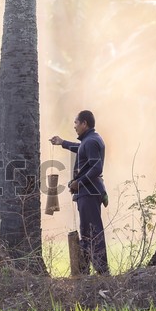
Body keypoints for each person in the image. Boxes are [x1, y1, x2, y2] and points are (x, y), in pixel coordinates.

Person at [50, 110, 109, 275]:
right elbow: (80, 148)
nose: (74, 126)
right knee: (87, 231)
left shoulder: (90, 142)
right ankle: (84, 271)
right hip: (88, 192)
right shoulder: (90, 140)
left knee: (92, 231)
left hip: (89, 193)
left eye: (76, 123)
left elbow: (97, 168)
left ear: (84, 123)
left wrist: (79, 182)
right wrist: (62, 142)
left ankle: (103, 272)